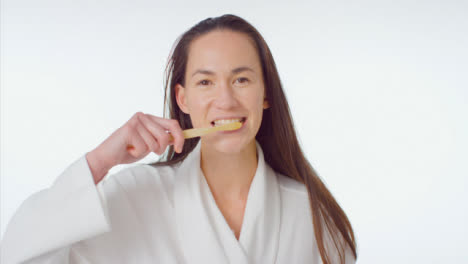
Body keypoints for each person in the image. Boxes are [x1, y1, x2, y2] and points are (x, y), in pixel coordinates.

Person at [1, 14, 357, 264]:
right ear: (183, 99)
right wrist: (100, 161)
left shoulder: (311, 215)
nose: (226, 101)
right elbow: (19, 256)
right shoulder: (133, 197)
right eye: (205, 82)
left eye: (242, 80)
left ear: (266, 93)